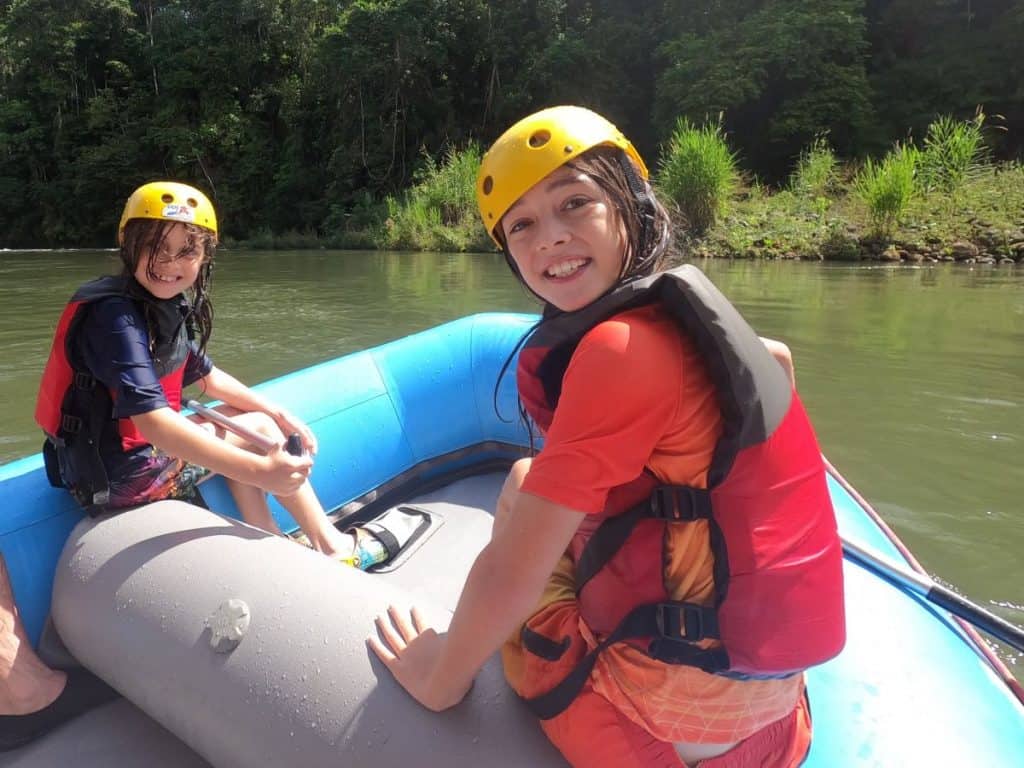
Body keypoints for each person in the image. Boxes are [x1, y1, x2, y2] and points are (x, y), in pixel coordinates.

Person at [369, 106, 845, 767]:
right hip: (770, 721)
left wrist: (440, 676)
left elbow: (515, 568)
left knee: (521, 505)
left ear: (632, 206)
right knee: (525, 479)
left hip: (647, 721)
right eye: (523, 225)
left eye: (575, 203)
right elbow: (779, 361)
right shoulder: (686, 318)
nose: (549, 239)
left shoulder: (618, 349)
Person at [34, 181, 354, 558]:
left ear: (204, 257)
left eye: (187, 251)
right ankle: (333, 546)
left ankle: (270, 539)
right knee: (260, 432)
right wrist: (262, 470)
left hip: (118, 461)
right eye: (156, 248)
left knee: (259, 420)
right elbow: (154, 425)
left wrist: (278, 412)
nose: (170, 264)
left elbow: (207, 377)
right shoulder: (114, 317)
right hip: (119, 479)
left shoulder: (162, 304)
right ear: (130, 246)